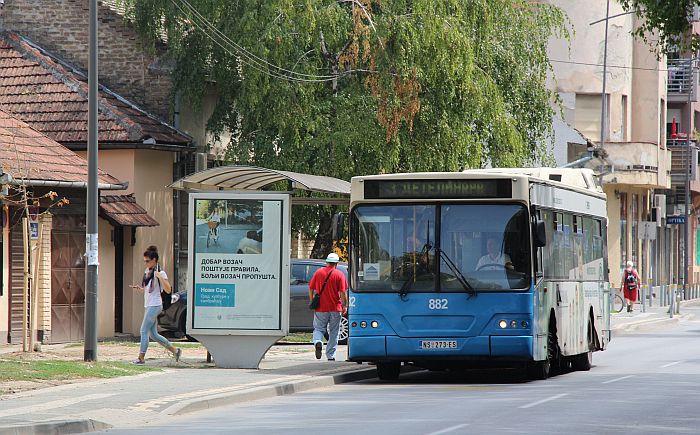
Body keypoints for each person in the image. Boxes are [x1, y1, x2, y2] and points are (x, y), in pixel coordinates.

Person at [130, 246, 182, 364]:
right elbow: (148, 289)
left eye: (148, 261)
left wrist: (160, 277)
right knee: (153, 334)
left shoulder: (160, 272)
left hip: (155, 305)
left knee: (143, 330)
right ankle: (175, 350)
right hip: (149, 304)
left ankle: (141, 358)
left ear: (154, 260)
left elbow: (168, 289)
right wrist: (140, 289)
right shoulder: (147, 272)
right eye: (145, 261)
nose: (146, 263)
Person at [308, 252, 348, 361]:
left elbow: (311, 288)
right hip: (335, 308)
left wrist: (312, 301)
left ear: (326, 262)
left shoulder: (318, 272)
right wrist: (345, 305)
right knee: (334, 332)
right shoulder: (339, 275)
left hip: (321, 307)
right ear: (337, 263)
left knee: (318, 328)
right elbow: (343, 293)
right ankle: (331, 356)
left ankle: (318, 342)